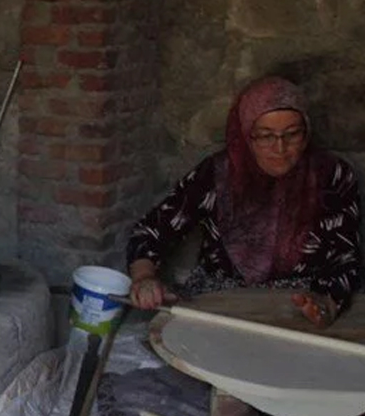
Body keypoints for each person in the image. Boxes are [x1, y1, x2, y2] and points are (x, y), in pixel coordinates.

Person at [127, 75, 362, 327]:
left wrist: (327, 303)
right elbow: (151, 231)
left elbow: (344, 256)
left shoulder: (330, 175)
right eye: (265, 136)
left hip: (298, 302)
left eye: (292, 134)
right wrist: (144, 278)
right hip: (219, 299)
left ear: (306, 133)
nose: (280, 148)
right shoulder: (216, 175)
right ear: (245, 135)